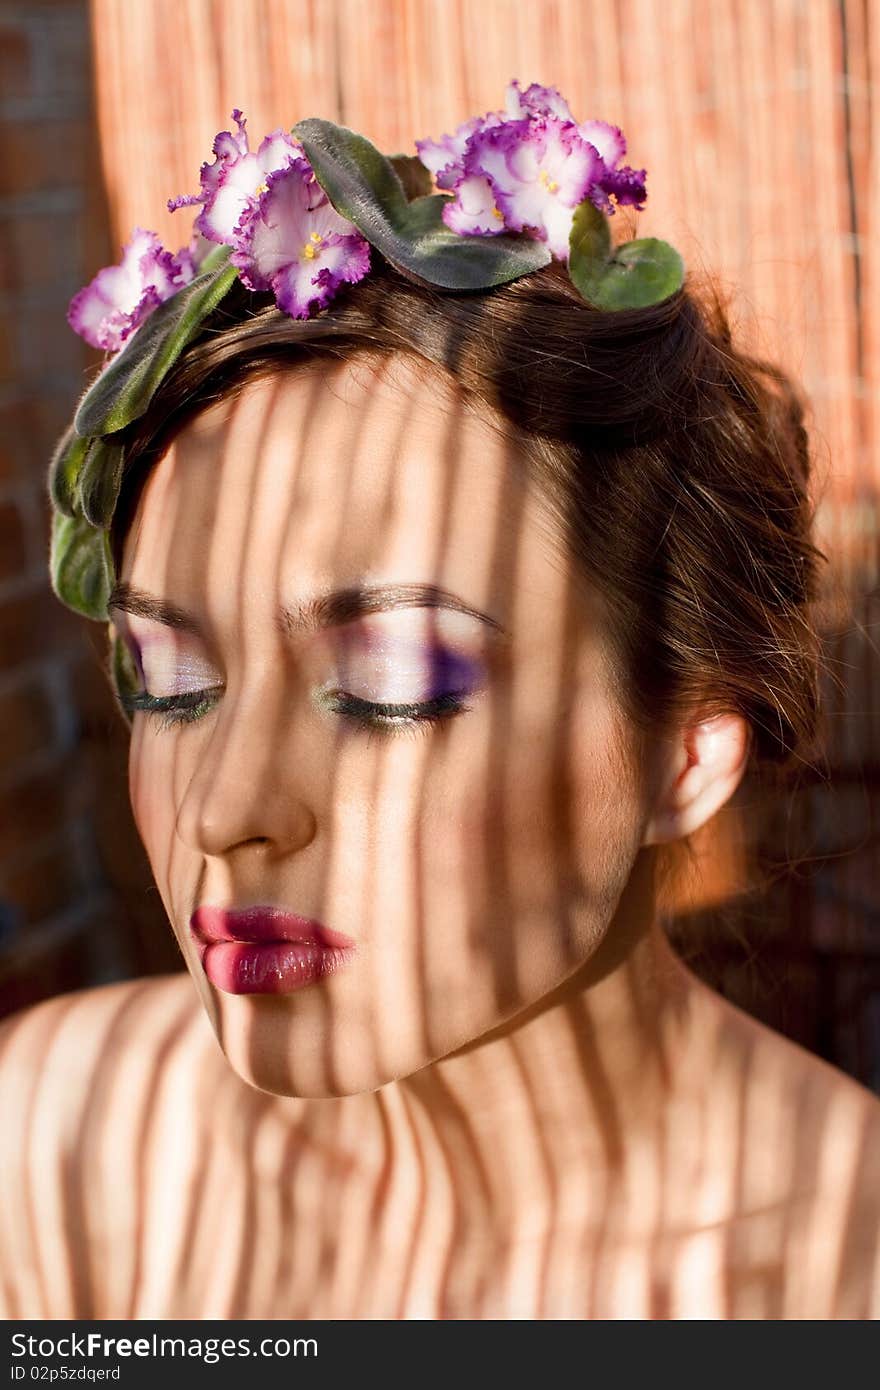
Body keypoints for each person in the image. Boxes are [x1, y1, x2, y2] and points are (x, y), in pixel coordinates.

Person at [2, 86, 879, 1320]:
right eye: (172, 679)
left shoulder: (833, 1283)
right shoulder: (58, 1148)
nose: (227, 809)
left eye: (389, 686)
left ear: (688, 749)